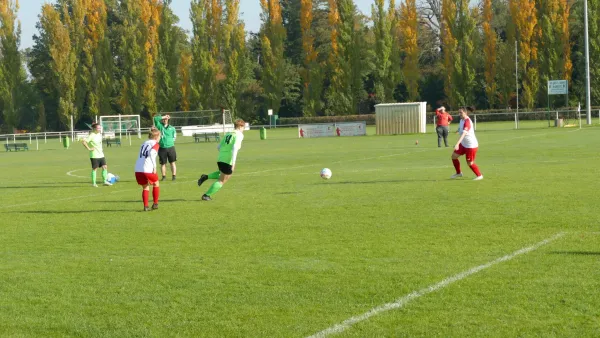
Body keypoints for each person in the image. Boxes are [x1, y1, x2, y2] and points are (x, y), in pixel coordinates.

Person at [197, 119, 246, 201]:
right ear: (240, 126)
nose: (243, 129)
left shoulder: (229, 133)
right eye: (243, 127)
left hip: (220, 157)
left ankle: (206, 176)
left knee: (222, 174)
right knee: (222, 180)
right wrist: (233, 163)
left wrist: (224, 153)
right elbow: (235, 148)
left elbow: (218, 147)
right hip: (228, 159)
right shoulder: (239, 134)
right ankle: (206, 195)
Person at [450, 106, 483, 180]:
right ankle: (458, 173)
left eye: (461, 112)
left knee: (470, 163)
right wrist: (457, 130)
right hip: (464, 144)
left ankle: (479, 175)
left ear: (465, 112)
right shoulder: (461, 120)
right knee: (454, 156)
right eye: (458, 112)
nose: (459, 114)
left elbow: (464, 134)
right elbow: (460, 129)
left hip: (470, 146)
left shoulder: (467, 121)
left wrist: (457, 143)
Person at [135, 128, 162, 211]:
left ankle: (146, 206)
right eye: (159, 136)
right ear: (156, 137)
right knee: (156, 183)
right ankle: (155, 203)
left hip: (138, 169)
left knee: (145, 187)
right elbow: (152, 153)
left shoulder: (144, 143)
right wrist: (154, 166)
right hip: (148, 168)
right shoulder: (156, 144)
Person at [82, 123, 112, 187]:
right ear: (95, 129)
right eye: (98, 128)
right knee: (95, 169)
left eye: (100, 128)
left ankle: (105, 181)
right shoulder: (92, 135)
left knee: (105, 167)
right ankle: (94, 183)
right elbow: (84, 142)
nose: (100, 129)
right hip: (94, 155)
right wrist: (89, 149)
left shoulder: (99, 134)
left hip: (101, 154)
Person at [152, 114, 177, 181]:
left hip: (171, 147)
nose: (164, 120)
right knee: (163, 163)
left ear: (168, 120)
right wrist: (164, 116)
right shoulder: (160, 126)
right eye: (163, 119)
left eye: (166, 119)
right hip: (162, 148)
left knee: (172, 162)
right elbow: (155, 119)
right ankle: (164, 177)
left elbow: (174, 137)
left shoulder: (172, 128)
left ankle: (174, 176)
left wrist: (170, 142)